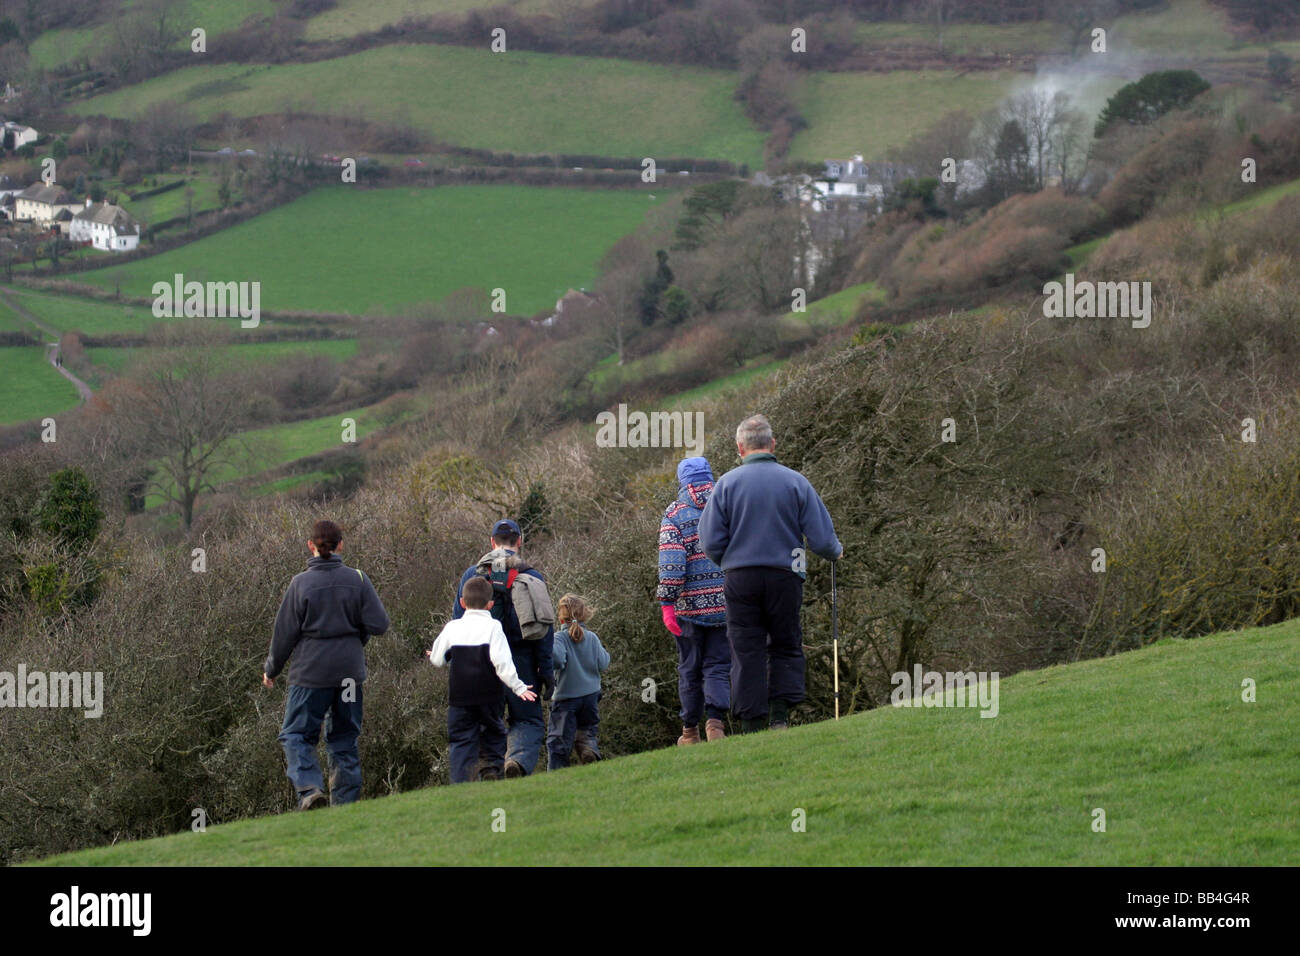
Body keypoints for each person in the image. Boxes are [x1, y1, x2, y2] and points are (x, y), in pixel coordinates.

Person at [698, 415, 842, 733]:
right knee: (785, 642)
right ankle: (780, 715)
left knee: (746, 647)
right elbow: (821, 539)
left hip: (740, 577)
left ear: (740, 448)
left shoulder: (725, 485)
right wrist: (835, 550)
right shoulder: (795, 481)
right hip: (785, 574)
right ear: (772, 444)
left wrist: (731, 560)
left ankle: (751, 723)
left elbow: (709, 541)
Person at [263, 519, 391, 809]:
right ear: (341, 545)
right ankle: (344, 804)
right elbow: (379, 624)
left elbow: (284, 634)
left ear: (310, 545)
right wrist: (355, 636)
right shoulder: (358, 579)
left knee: (297, 734)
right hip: (349, 674)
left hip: (311, 674)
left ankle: (310, 790)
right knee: (344, 736)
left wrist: (272, 669)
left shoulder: (300, 583)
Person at [452, 519, 556, 777]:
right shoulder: (532, 576)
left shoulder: (472, 575)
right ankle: (517, 761)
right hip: (522, 661)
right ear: (519, 541)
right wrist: (546, 669)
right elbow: (545, 628)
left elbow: (458, 621)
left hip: (481, 661)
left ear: (492, 542)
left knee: (488, 719)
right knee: (527, 720)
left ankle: (489, 768)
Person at [427, 575, 538, 783]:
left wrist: (441, 654)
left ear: (462, 602)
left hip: (460, 696)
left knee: (461, 740)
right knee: (493, 734)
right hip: (489, 694)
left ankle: (461, 781)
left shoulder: (453, 627)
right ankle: (491, 770)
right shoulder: (494, 627)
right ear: (490, 604)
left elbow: (436, 659)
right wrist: (518, 687)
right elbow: (502, 662)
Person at [657, 456, 730, 745]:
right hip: (726, 604)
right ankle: (716, 724)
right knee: (718, 666)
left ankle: (689, 731)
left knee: (689, 667)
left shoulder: (674, 514)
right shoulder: (727, 505)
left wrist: (667, 605)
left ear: (682, 482)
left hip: (688, 610)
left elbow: (672, 565)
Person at [547, 594, 610, 769]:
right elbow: (604, 663)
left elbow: (558, 660)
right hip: (591, 697)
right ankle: (588, 751)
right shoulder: (592, 637)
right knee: (587, 733)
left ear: (560, 617)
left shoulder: (559, 637)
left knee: (558, 741)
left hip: (566, 697)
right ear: (584, 614)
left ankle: (557, 776)